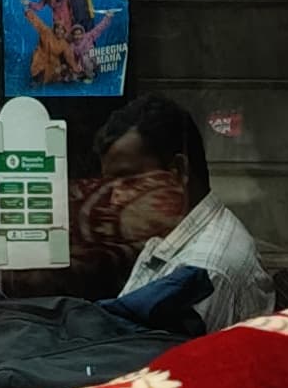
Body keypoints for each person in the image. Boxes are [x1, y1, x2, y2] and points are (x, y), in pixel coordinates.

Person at [93, 92, 273, 321]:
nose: (115, 200)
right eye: (111, 186)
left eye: (129, 180)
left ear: (178, 171)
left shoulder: (204, 271)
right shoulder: (167, 235)